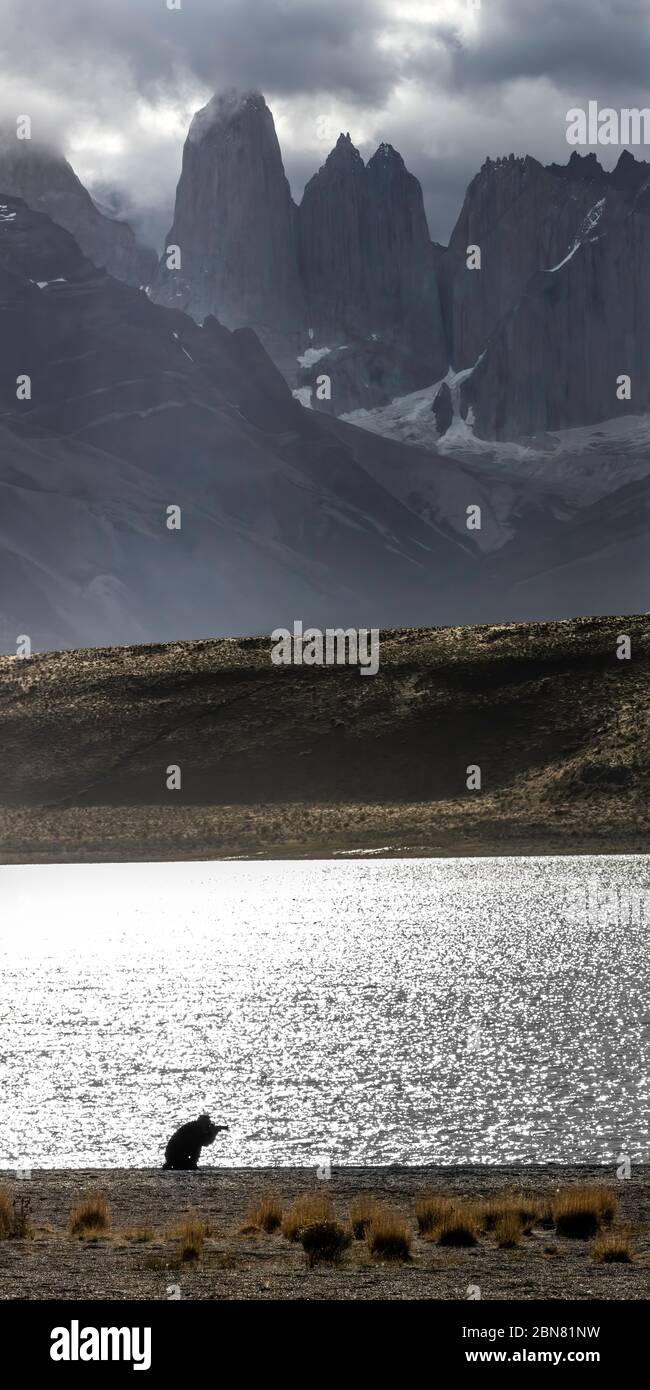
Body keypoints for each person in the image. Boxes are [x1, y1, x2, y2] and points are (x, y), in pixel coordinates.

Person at [162, 1113, 228, 1170]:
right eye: (207, 1124)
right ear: (203, 1123)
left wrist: (212, 1133)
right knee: (197, 1146)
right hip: (175, 1156)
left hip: (173, 1155)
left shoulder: (193, 1126)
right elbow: (204, 1142)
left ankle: (177, 1164)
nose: (208, 1126)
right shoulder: (194, 1129)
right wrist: (212, 1134)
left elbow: (204, 1141)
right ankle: (191, 1164)